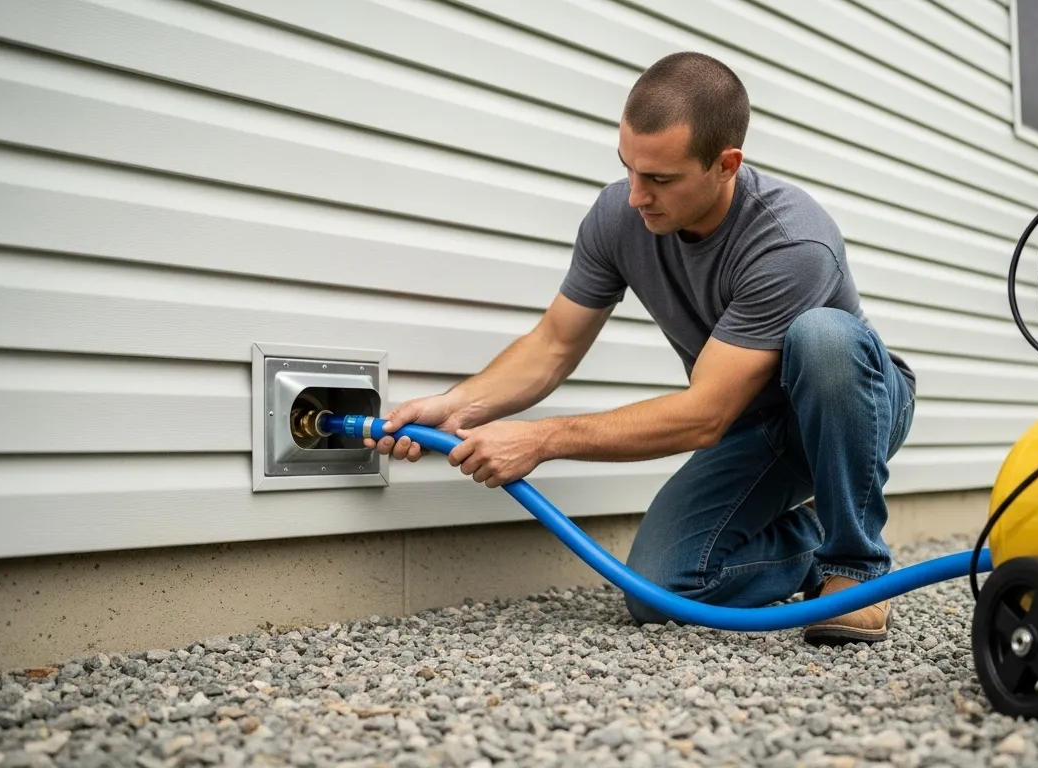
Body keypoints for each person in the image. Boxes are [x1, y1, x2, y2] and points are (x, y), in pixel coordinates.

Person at [367, 51, 917, 646]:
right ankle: (818, 540)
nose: (636, 196)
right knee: (660, 589)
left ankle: (856, 569)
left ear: (726, 164)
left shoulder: (791, 241)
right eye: (628, 168)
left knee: (823, 336)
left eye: (659, 179)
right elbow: (553, 344)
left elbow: (705, 415)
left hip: (849, 401)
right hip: (752, 419)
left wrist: (542, 438)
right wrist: (459, 407)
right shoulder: (619, 216)